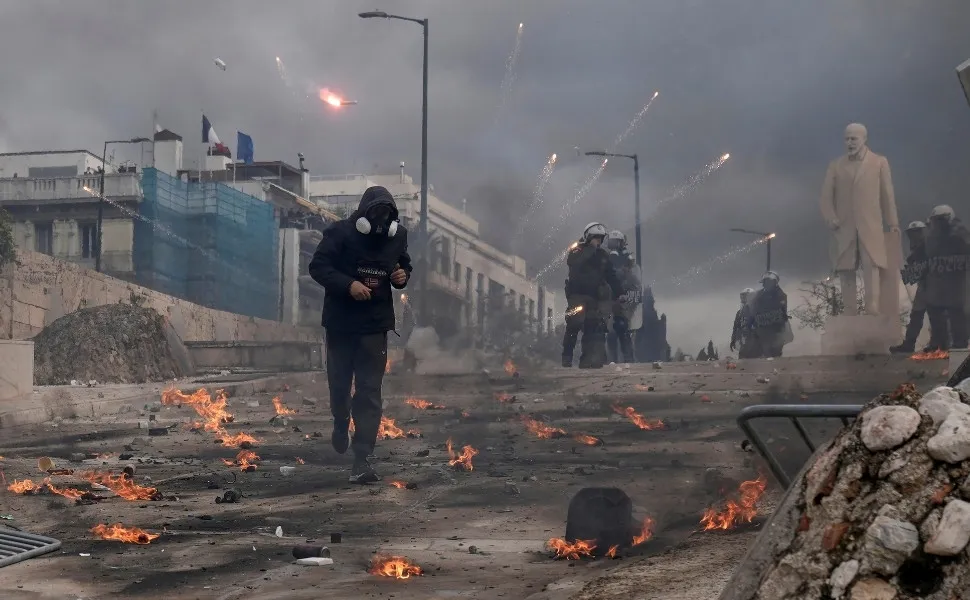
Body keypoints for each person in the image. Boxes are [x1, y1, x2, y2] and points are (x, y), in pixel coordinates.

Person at [308, 186, 412, 483]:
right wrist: (348, 284)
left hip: (374, 327)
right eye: (375, 215)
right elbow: (318, 266)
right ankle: (341, 422)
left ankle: (362, 458)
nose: (380, 223)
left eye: (386, 216)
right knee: (340, 388)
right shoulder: (340, 233)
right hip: (341, 325)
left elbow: (404, 263)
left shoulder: (398, 236)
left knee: (369, 393)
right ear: (362, 216)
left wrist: (402, 275)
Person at [562, 222, 623, 369]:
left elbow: (611, 276)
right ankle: (567, 358)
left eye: (600, 239)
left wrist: (620, 292)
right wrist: (590, 248)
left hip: (595, 299)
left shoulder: (603, 255)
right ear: (588, 237)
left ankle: (589, 360)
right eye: (596, 238)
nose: (599, 241)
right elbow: (574, 263)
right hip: (576, 296)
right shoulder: (576, 250)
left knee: (594, 328)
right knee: (573, 325)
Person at [923, 205, 970, 351]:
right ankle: (939, 343)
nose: (937, 224)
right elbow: (928, 255)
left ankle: (960, 344)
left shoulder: (960, 233)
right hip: (939, 279)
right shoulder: (932, 236)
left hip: (955, 280)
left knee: (956, 311)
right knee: (935, 309)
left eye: (939, 220)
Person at [891, 221, 930, 353]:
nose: (915, 237)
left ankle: (941, 344)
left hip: (936, 286)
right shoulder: (916, 253)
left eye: (917, 233)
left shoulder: (931, 247)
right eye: (912, 234)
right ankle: (909, 344)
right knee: (916, 316)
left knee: (937, 316)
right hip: (924, 286)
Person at [605, 230, 640, 363]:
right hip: (613, 299)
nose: (612, 244)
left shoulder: (627, 261)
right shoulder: (611, 258)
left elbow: (631, 280)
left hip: (622, 300)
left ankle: (628, 359)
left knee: (621, 329)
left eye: (614, 241)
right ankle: (614, 360)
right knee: (613, 332)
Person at [749, 271, 790, 358]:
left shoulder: (780, 295)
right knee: (764, 351)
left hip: (776, 328)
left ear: (774, 283)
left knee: (776, 351)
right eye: (765, 282)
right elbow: (753, 310)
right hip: (762, 329)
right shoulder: (758, 295)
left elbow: (781, 312)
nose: (766, 285)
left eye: (768, 282)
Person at [730, 288, 760, 358]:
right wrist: (733, 339)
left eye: (746, 296)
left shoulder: (758, 311)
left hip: (757, 343)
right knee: (743, 360)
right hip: (745, 342)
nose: (743, 298)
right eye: (742, 296)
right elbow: (736, 327)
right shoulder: (739, 313)